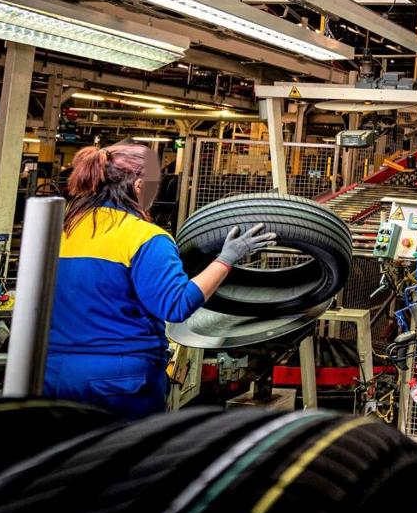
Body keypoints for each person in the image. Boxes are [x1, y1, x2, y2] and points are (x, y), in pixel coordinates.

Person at [45, 142, 275, 419]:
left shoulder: (60, 231)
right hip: (118, 382)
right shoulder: (145, 238)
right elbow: (175, 305)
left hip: (53, 373)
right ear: (140, 185)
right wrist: (226, 259)